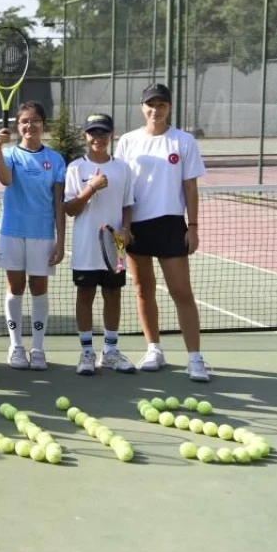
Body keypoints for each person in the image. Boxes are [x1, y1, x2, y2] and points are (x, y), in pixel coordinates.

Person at [113, 83, 210, 382]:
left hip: (170, 224)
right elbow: (119, 185)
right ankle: (153, 348)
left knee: (182, 293)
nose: (155, 110)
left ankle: (195, 358)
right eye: (150, 105)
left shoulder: (183, 141)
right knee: (143, 290)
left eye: (162, 105)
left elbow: (190, 187)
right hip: (135, 227)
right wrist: (121, 230)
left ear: (169, 107)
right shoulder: (127, 142)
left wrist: (192, 227)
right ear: (142, 108)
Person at [0, 101, 66, 371]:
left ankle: (37, 348)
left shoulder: (56, 159)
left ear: (43, 124)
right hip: (12, 232)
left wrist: (61, 240)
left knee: (39, 289)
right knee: (15, 288)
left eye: (35, 120)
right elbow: (6, 180)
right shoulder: (11, 154)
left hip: (42, 234)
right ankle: (16, 346)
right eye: (24, 121)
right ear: (18, 126)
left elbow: (58, 202)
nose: (30, 125)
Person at [63, 113, 136, 376]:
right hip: (85, 247)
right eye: (93, 133)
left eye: (103, 133)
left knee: (113, 295)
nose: (98, 138)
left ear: (111, 136)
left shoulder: (122, 168)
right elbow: (70, 208)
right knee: (85, 295)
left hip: (114, 245)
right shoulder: (75, 168)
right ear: (85, 136)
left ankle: (110, 351)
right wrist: (91, 188)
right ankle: (86, 352)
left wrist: (126, 230)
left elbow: (128, 205)